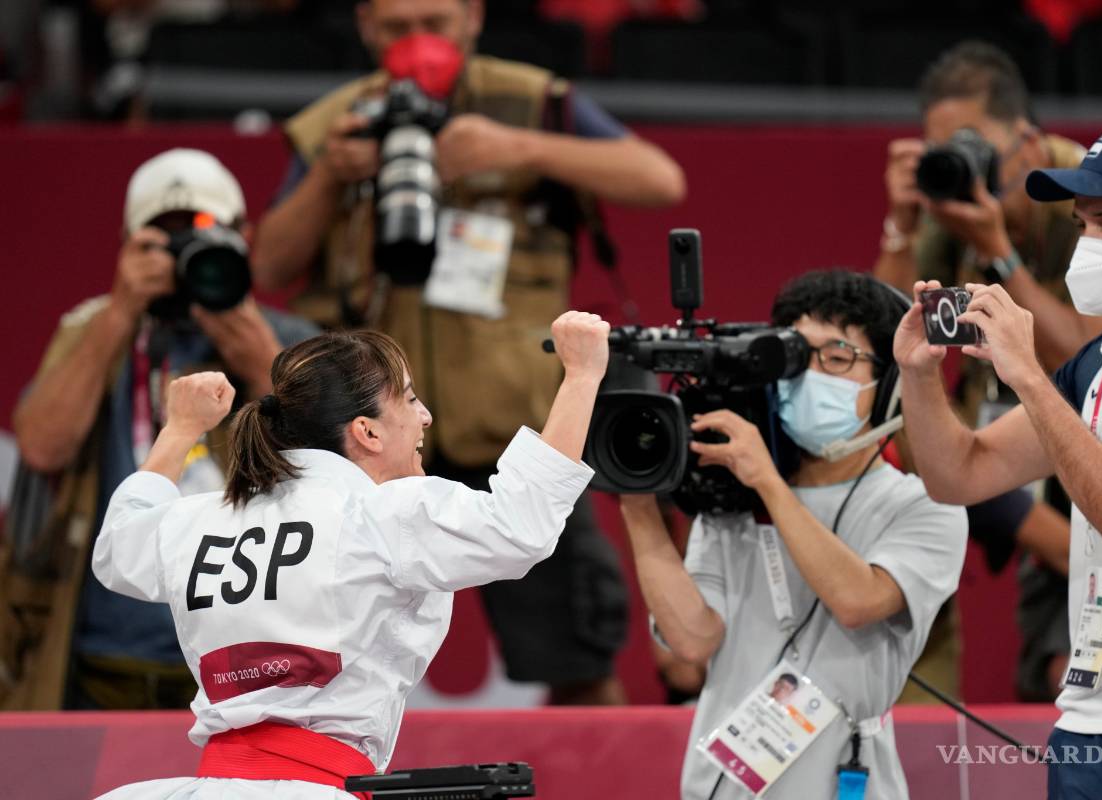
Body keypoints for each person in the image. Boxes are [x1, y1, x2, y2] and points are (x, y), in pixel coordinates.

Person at [252, 0, 686, 705]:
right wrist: (334, 172)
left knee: (574, 650)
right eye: (395, 27)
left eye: (436, 21)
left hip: (513, 428)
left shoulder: (532, 100)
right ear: (363, 25)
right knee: (336, 655)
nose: (418, 41)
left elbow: (660, 179)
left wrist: (524, 149)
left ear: (475, 18)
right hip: (371, 442)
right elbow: (268, 268)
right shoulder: (336, 122)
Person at [92, 311, 608, 798]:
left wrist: (181, 429)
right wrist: (581, 377)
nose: (425, 416)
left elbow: (118, 547)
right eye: (408, 400)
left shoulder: (200, 519)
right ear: (367, 431)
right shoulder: (379, 513)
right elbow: (522, 524)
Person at [896, 123, 1102, 799]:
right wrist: (917, 376)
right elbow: (959, 475)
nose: (1090, 244)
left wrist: (1029, 377)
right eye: (1082, 223)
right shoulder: (1100, 363)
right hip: (1096, 722)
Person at [620, 271, 967, 800]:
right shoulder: (732, 499)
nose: (812, 375)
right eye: (797, 356)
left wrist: (768, 482)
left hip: (844, 785)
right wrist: (637, 501)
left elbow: (858, 599)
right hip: (720, 787)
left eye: (837, 358)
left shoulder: (924, 506)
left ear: (890, 382)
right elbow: (692, 640)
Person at [1, 148, 318, 711]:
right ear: (127, 247)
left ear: (244, 236)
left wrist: (259, 358)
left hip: (243, 672)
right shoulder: (93, 329)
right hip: (100, 664)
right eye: (160, 242)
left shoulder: (289, 338)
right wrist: (121, 314)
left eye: (202, 236)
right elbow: (43, 446)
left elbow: (344, 473)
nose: (182, 260)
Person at [873, 40, 1098, 702]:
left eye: (975, 146)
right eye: (945, 148)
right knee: (900, 459)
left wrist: (998, 253)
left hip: (1092, 433)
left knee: (1068, 667)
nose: (961, 165)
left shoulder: (1087, 196)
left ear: (1027, 144)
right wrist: (900, 223)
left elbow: (1089, 363)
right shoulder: (949, 203)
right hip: (997, 440)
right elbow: (879, 344)